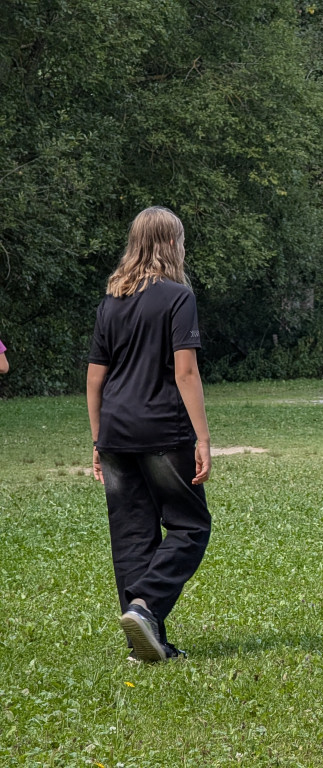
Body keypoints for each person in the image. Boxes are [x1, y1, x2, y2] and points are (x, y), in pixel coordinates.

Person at [86, 206, 212, 663]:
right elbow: (186, 372)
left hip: (116, 431)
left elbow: (94, 378)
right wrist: (203, 438)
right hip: (162, 430)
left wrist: (98, 439)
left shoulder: (111, 301)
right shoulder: (178, 297)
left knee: (132, 536)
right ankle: (145, 607)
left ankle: (143, 641)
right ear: (171, 243)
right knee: (190, 525)